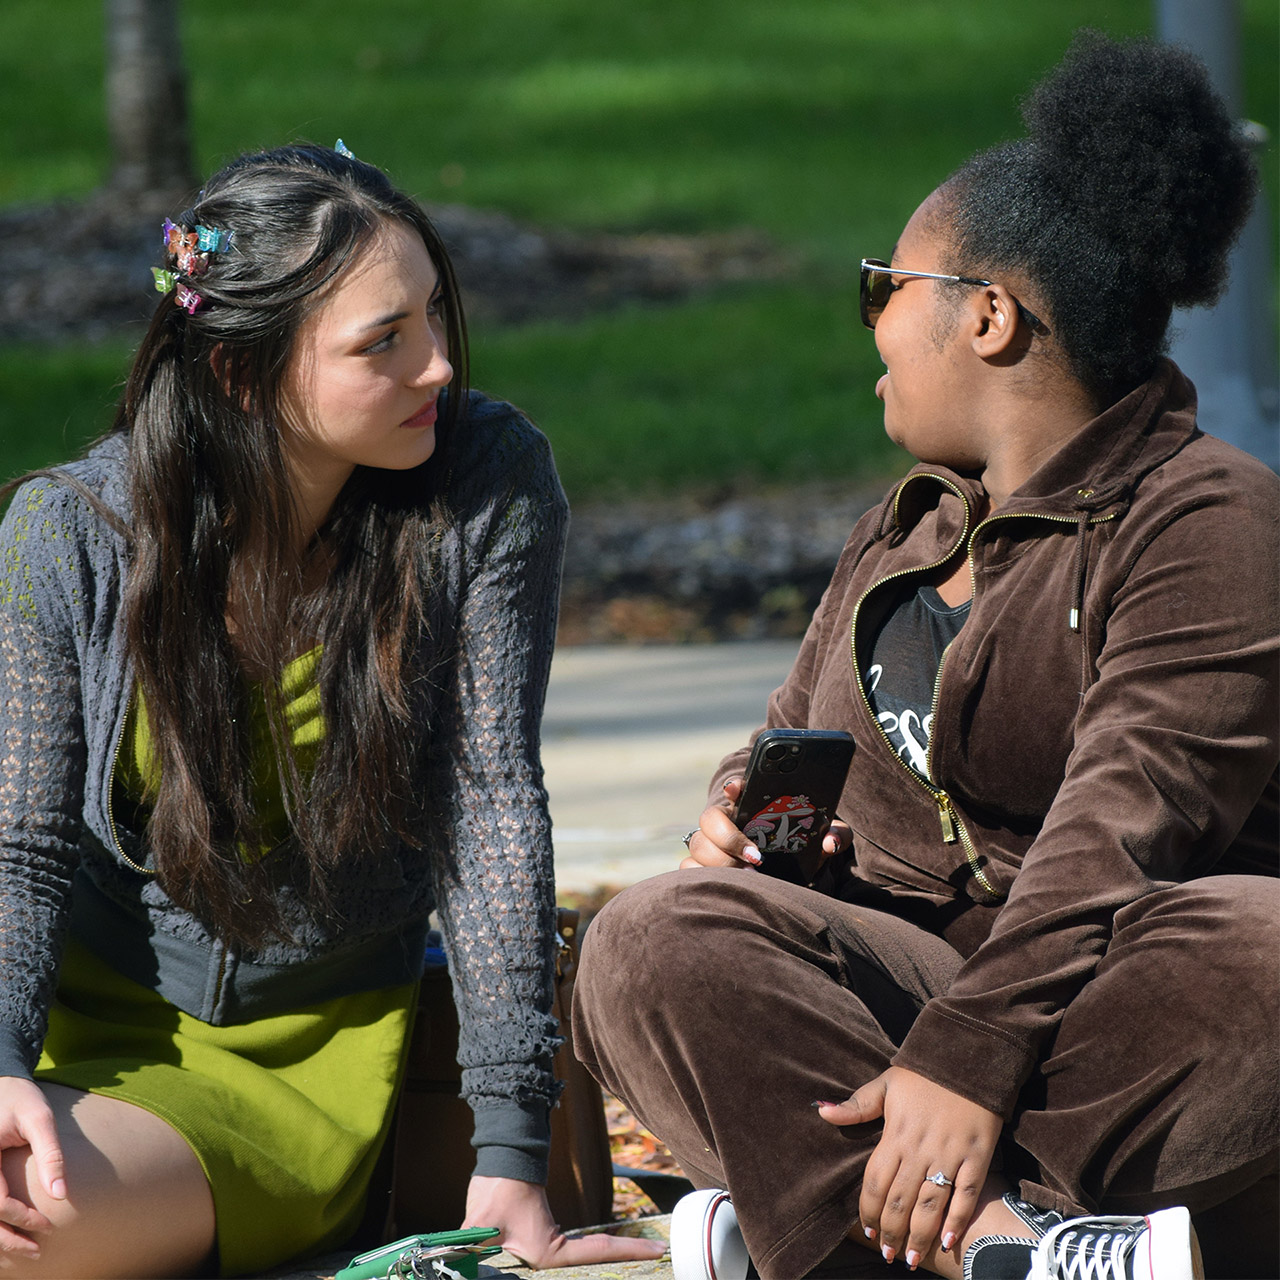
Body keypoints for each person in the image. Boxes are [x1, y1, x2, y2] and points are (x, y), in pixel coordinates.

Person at [573, 33, 1278, 1280]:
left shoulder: (1204, 518)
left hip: (1099, 999)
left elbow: (1124, 822)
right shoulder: (907, 524)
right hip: (908, 993)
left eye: (881, 287)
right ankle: (1006, 1246)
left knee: (1263, 947)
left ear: (989, 317)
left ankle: (831, 1224)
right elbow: (797, 731)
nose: (871, 323)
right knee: (646, 937)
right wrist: (750, 822)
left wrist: (967, 1054)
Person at [0, 143, 664, 1278]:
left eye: (431, 317)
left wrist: (508, 1147)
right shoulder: (68, 535)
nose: (440, 365)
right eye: (384, 341)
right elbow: (18, 848)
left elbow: (490, 804)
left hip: (297, 1062)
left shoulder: (485, 489)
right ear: (240, 377)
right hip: (65, 1022)